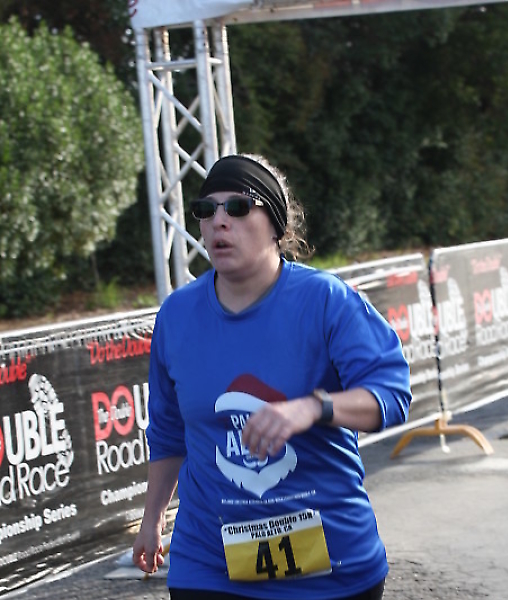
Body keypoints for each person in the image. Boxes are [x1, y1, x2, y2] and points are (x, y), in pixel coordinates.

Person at [132, 153, 412, 600]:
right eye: (206, 210)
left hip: (330, 565)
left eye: (238, 207)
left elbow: (391, 396)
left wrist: (313, 408)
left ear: (276, 225)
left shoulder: (326, 301)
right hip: (208, 563)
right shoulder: (177, 315)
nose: (219, 221)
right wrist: (152, 520)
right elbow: (168, 432)